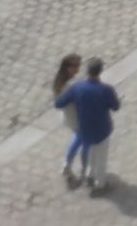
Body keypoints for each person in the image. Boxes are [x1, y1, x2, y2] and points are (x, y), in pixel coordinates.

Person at [54, 57, 120, 192]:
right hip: (102, 130)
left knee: (88, 153)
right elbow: (116, 107)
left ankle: (88, 174)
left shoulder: (76, 88)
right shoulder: (106, 89)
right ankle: (100, 184)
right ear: (100, 72)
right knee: (101, 158)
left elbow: (59, 103)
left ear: (87, 71)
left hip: (85, 130)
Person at [52, 53, 82, 145]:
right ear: (69, 68)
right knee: (80, 138)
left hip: (69, 116)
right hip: (75, 118)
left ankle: (68, 158)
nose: (78, 69)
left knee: (79, 137)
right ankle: (69, 158)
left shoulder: (60, 81)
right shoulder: (70, 85)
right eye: (77, 66)